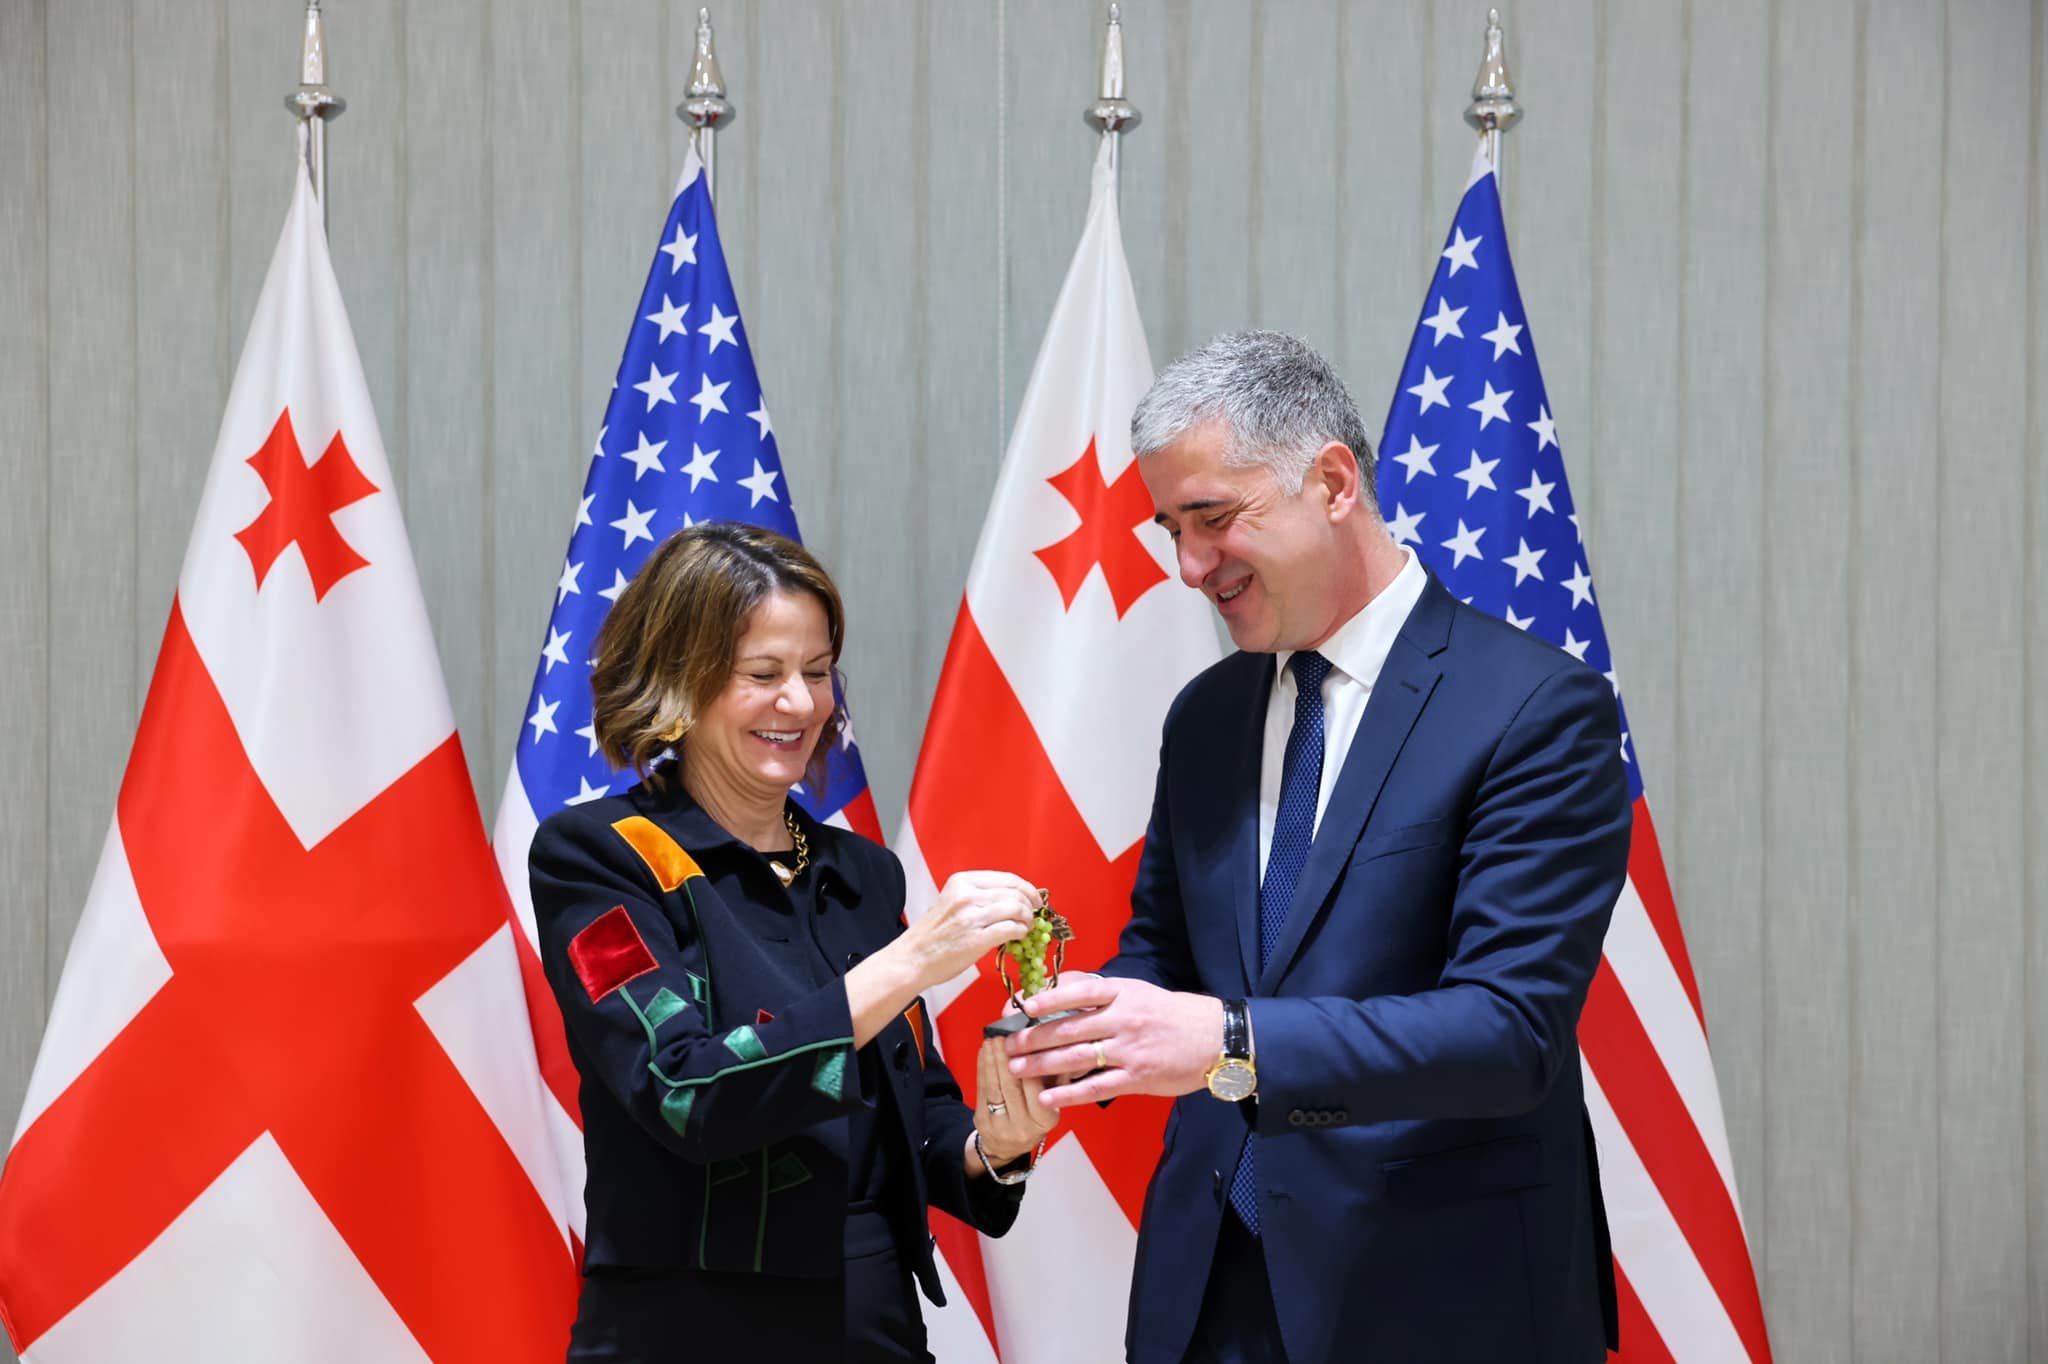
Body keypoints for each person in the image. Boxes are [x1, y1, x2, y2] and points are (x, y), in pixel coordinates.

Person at [1005, 331, 1630, 1363]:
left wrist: (1232, 1042)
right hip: (1209, 1288)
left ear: (1333, 483)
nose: (1188, 567)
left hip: (1433, 1293)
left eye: (1213, 519)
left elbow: (1507, 1030)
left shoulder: (1532, 709)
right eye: (1171, 530)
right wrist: (1078, 1027)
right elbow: (1169, 952)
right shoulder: (1205, 715)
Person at [530, 521, 1057, 1362]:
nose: (803, 705)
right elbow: (684, 1090)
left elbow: (909, 1104)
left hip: (874, 1325)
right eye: (763, 674)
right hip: (689, 1331)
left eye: (817, 672)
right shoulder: (597, 858)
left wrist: (993, 1143)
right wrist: (912, 960)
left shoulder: (863, 871)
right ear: (679, 681)